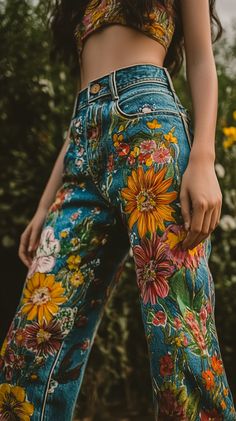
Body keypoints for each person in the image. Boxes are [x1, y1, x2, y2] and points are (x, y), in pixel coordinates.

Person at [0, 0, 235, 420]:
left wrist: (203, 158)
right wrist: (43, 206)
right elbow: (83, 111)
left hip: (149, 129)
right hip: (83, 143)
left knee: (178, 330)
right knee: (33, 336)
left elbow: (201, 58)